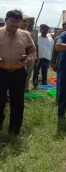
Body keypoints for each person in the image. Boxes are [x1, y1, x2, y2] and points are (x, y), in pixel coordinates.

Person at [0, 9, 36, 137]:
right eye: (12, 25)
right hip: (1, 72)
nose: (14, 28)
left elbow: (32, 50)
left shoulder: (25, 35)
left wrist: (29, 59)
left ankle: (14, 131)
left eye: (17, 25)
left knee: (17, 102)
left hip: (18, 72)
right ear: (6, 21)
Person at [50, 21, 66, 101]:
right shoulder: (58, 39)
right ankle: (59, 97)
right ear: (62, 28)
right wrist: (53, 63)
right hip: (61, 64)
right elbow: (54, 52)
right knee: (60, 81)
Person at [20, 15, 36, 91]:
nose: (26, 23)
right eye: (24, 21)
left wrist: (33, 57)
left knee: (28, 73)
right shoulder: (15, 32)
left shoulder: (30, 33)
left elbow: (34, 47)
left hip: (29, 56)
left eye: (27, 22)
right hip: (18, 57)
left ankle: (25, 88)